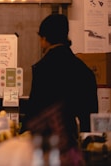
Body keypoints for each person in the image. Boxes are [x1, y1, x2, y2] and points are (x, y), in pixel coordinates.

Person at [22, 14, 98, 165]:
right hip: (71, 144)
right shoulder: (83, 70)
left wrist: (23, 134)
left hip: (45, 146)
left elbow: (35, 108)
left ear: (44, 39)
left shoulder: (43, 68)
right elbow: (89, 115)